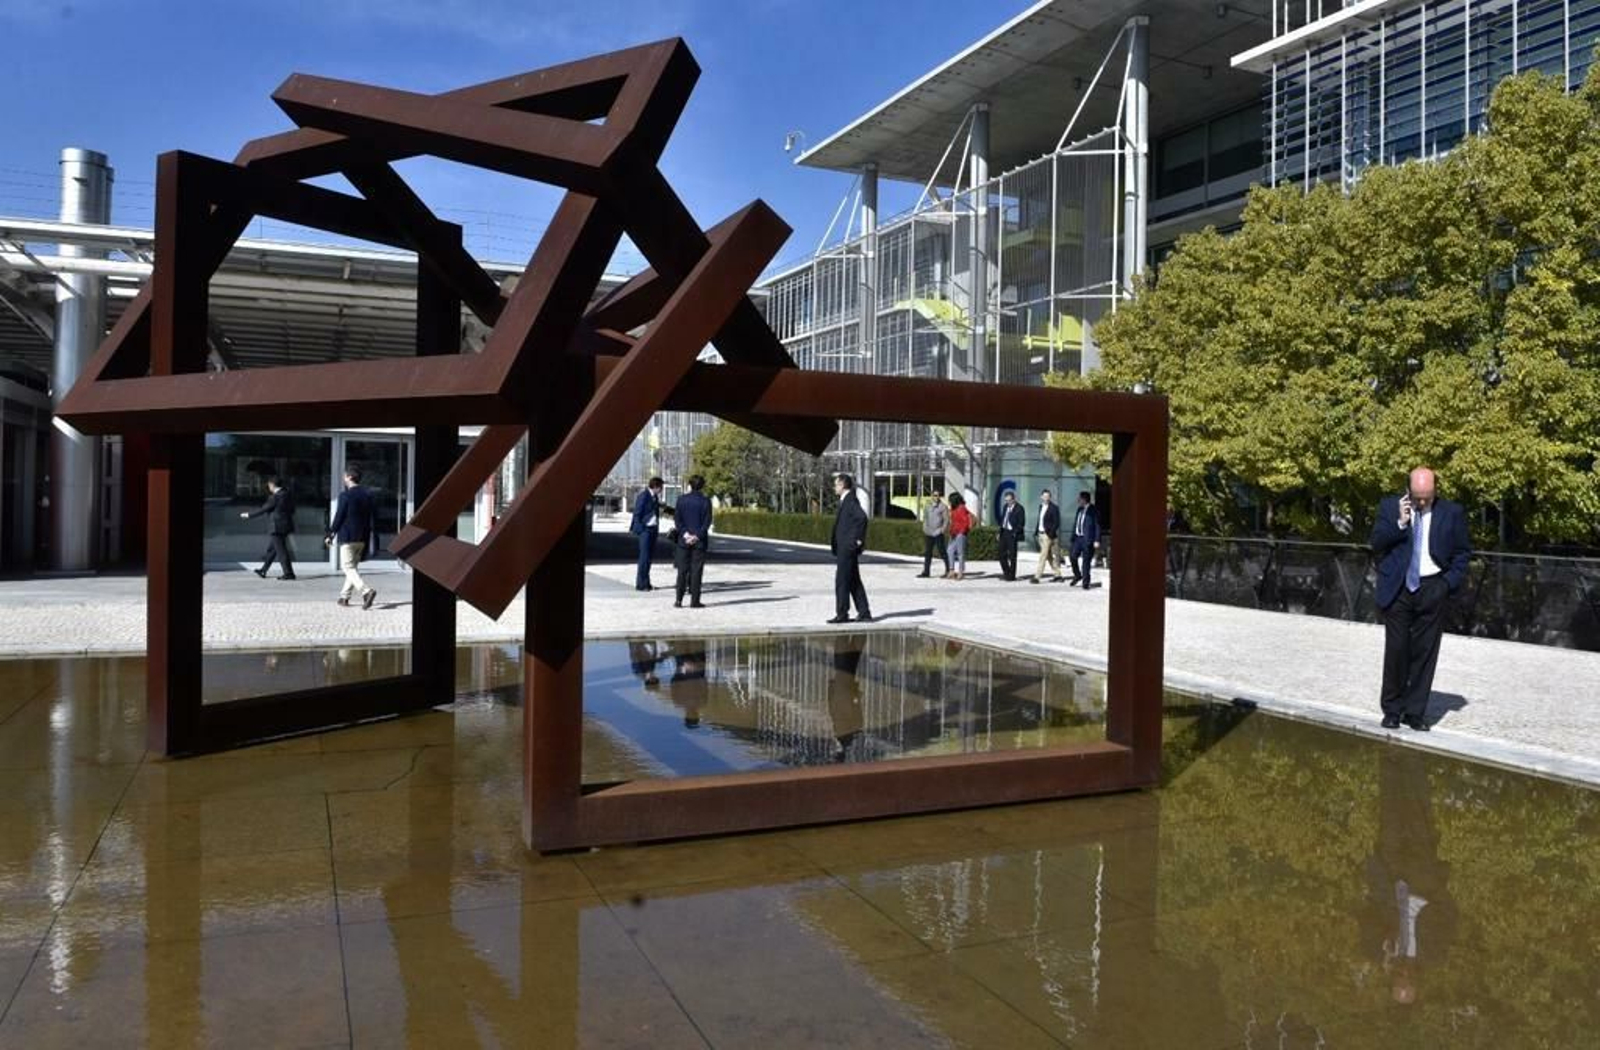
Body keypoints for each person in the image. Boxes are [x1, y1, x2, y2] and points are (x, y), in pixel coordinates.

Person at [1370, 467, 1471, 731]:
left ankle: (1415, 712)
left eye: (1428, 496)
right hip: (1399, 588)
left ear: (1436, 490)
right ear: (1408, 490)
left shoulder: (1452, 512)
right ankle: (1392, 710)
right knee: (1397, 650)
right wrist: (1400, 523)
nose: (1423, 502)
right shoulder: (1390, 507)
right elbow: (1377, 543)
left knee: (1425, 652)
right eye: (1418, 497)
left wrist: (1446, 584)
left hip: (1433, 586)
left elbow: (1462, 554)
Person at [326, 465, 379, 609]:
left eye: (345, 476)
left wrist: (330, 534)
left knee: (347, 567)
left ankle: (366, 591)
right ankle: (344, 597)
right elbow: (373, 516)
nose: (343, 478)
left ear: (350, 477)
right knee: (352, 568)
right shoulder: (368, 494)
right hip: (362, 537)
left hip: (348, 537)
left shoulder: (346, 495)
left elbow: (339, 516)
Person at [828, 473, 872, 624]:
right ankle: (864, 612)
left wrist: (857, 540)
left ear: (842, 485)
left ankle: (842, 614)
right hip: (845, 547)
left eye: (836, 484)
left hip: (847, 548)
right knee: (853, 581)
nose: (834, 487)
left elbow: (862, 518)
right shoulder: (846, 500)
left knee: (842, 580)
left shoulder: (850, 500)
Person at [241, 476, 297, 581]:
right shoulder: (287, 494)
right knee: (273, 549)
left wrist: (248, 515)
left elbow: (263, 509)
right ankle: (263, 570)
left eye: (269, 485)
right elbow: (292, 510)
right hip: (286, 525)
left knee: (281, 551)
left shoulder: (275, 497)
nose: (268, 487)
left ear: (272, 485)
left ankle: (289, 573)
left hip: (276, 527)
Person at [671, 474, 712, 609]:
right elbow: (707, 522)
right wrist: (697, 536)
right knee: (696, 572)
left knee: (682, 571)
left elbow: (678, 520)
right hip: (699, 542)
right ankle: (695, 601)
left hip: (683, 541)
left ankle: (678, 600)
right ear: (702, 486)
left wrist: (685, 534)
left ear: (690, 485)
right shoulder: (706, 501)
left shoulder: (681, 500)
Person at [629, 476, 664, 591]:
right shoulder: (644, 496)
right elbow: (637, 513)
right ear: (655, 486)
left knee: (649, 558)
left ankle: (647, 583)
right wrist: (641, 529)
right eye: (661, 487)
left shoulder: (654, 497)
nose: (661, 490)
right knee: (644, 558)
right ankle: (641, 584)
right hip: (645, 530)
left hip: (653, 529)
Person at [1068, 490, 1100, 589]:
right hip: (1078, 539)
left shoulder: (1093, 511)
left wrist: (1097, 540)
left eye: (1080, 499)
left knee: (1086, 562)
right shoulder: (1079, 509)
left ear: (1085, 499)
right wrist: (1073, 536)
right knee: (1072, 556)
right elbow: (1076, 523)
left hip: (1088, 539)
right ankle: (1077, 575)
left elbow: (1097, 526)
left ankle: (1085, 582)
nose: (1078, 500)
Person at [1030, 489, 1063, 584]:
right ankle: (1058, 574)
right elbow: (1040, 520)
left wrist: (1050, 534)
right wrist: (1036, 532)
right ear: (1041, 497)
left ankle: (1037, 576)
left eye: (1048, 496)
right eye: (1044, 496)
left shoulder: (1054, 508)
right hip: (1040, 534)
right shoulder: (1041, 506)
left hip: (1047, 535)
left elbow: (1056, 522)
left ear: (1050, 497)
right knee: (1048, 556)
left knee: (1043, 556)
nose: (1046, 498)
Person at [917, 492, 950, 579]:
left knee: (942, 552)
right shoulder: (927, 506)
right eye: (935, 495)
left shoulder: (943, 507)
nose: (937, 497)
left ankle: (948, 570)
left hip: (938, 532)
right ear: (932, 496)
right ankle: (926, 572)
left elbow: (946, 520)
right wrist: (924, 528)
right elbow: (925, 517)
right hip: (928, 532)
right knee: (928, 553)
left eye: (938, 495)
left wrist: (942, 530)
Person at [996, 489, 1026, 581]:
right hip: (1004, 532)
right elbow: (1003, 520)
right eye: (1006, 500)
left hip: (1012, 533)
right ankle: (1007, 572)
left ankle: (1011, 576)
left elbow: (1021, 523)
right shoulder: (1005, 507)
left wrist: (1014, 533)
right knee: (1001, 554)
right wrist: (999, 532)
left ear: (1013, 499)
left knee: (1012, 556)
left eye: (1009, 500)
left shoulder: (1019, 508)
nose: (1007, 502)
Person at [947, 492, 974, 580]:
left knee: (960, 553)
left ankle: (960, 572)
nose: (949, 502)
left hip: (960, 533)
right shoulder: (953, 508)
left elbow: (965, 522)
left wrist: (961, 532)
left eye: (950, 500)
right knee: (950, 550)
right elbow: (953, 521)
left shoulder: (962, 508)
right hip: (953, 533)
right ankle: (951, 570)